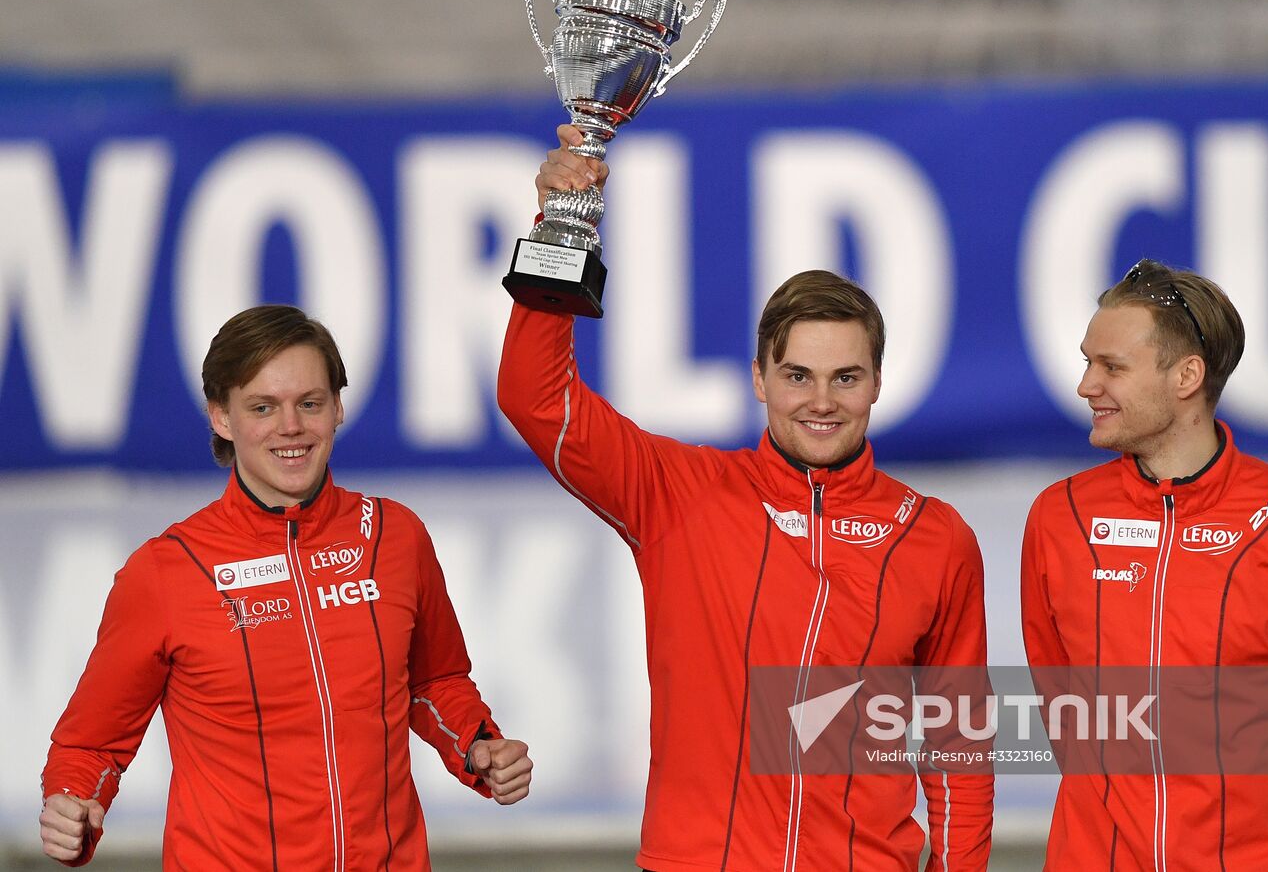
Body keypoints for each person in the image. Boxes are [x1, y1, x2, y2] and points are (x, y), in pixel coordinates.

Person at [497, 125, 993, 871]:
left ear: (878, 384)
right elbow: (535, 398)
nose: (820, 400)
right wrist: (560, 230)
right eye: (797, 375)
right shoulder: (678, 494)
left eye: (846, 377)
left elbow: (959, 747)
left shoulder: (935, 537)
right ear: (759, 379)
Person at [40, 305, 531, 869]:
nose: (291, 427)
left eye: (310, 403)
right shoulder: (164, 572)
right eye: (263, 407)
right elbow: (91, 743)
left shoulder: (397, 537)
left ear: (338, 408)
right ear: (221, 417)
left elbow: (434, 679)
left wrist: (478, 744)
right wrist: (74, 806)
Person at [1020, 259, 1268, 869]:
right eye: (1088, 361)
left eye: (1111, 367)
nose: (1086, 385)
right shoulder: (1060, 519)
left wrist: (1256, 813)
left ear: (1187, 376)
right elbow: (1060, 698)